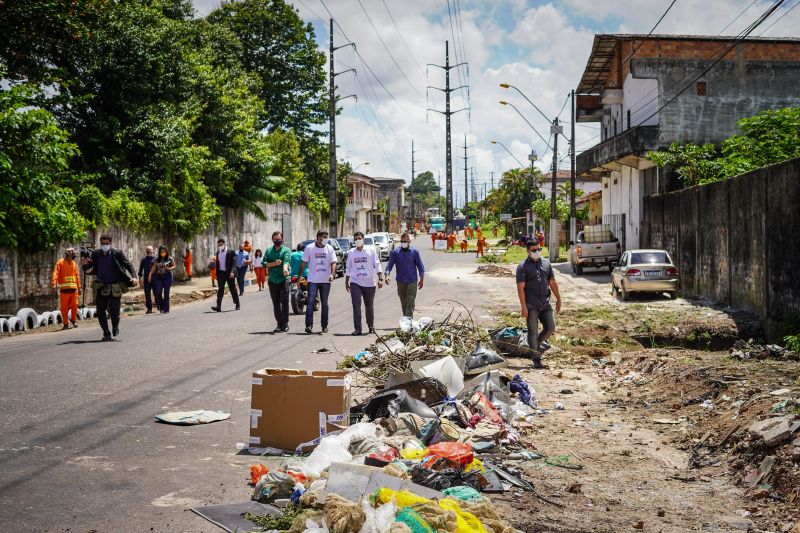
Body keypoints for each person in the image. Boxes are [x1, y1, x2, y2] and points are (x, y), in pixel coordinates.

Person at [81, 234, 138, 340]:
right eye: (102, 244)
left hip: (115, 285)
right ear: (100, 243)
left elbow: (128, 265)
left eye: (107, 244)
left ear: (110, 244)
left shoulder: (117, 253)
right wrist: (84, 264)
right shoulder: (96, 254)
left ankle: (115, 326)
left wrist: (134, 277)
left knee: (114, 309)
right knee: (100, 310)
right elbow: (89, 267)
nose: (105, 246)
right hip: (102, 285)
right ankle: (106, 332)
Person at [516, 239, 562, 369]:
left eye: (538, 249)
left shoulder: (547, 263)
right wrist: (523, 307)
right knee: (533, 331)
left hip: (545, 303)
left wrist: (558, 298)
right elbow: (520, 288)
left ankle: (534, 346)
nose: (537, 252)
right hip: (531, 305)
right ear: (528, 251)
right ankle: (536, 358)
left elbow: (552, 282)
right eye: (534, 250)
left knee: (550, 328)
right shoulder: (522, 267)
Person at [345, 231, 383, 335]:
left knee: (369, 306)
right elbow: (348, 267)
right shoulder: (351, 253)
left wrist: (380, 278)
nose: (358, 240)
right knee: (356, 305)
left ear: (363, 239)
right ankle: (358, 329)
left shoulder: (371, 251)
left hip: (370, 283)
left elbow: (377, 264)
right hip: (355, 282)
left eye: (359, 238)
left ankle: (371, 326)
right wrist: (346, 281)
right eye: (356, 239)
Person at [300, 230, 337, 334]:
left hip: (326, 280)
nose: (325, 239)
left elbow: (333, 262)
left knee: (325, 303)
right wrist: (299, 277)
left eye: (326, 237)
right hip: (313, 280)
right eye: (323, 237)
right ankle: (309, 326)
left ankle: (324, 326)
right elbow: (303, 263)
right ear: (318, 237)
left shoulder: (329, 248)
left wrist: (332, 274)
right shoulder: (310, 248)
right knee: (310, 302)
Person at [385, 233, 425, 318]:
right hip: (401, 281)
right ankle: (406, 321)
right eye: (402, 241)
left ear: (409, 241)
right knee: (404, 302)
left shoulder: (414, 252)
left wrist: (422, 280)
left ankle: (408, 321)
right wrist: (387, 275)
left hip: (412, 281)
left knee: (410, 301)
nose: (403, 243)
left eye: (405, 241)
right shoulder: (395, 252)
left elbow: (420, 266)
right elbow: (389, 265)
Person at [263, 232, 292, 333]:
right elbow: (264, 263)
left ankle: (285, 323)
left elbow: (286, 261)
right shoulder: (268, 251)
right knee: (276, 303)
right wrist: (274, 263)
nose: (277, 241)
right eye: (275, 239)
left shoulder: (286, 250)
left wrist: (285, 269)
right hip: (272, 280)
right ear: (272, 240)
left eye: (279, 239)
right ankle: (279, 324)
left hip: (284, 279)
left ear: (282, 239)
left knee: (284, 302)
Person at [51, 247, 81, 329]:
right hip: (64, 291)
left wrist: (79, 287)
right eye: (73, 254)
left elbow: (77, 276)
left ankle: (74, 320)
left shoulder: (74, 263)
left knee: (75, 306)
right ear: (68, 254)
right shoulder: (60, 262)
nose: (74, 256)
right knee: (64, 308)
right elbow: (55, 273)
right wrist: (54, 284)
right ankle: (65, 323)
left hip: (74, 290)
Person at [211, 238, 240, 312]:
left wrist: (233, 272)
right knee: (220, 289)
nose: (220, 246)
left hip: (229, 273)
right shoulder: (218, 252)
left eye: (221, 244)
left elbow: (234, 263)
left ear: (224, 244)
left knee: (232, 289)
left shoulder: (231, 252)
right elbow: (218, 264)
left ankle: (237, 303)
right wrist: (217, 274)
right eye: (219, 245)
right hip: (221, 273)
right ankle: (218, 306)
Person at [149, 245, 176, 313]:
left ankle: (166, 309)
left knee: (166, 293)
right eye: (161, 252)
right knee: (158, 292)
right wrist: (150, 275)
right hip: (159, 277)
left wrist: (169, 268)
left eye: (164, 251)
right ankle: (162, 306)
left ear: (166, 252)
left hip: (167, 277)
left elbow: (174, 265)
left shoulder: (169, 258)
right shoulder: (156, 259)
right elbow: (153, 268)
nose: (162, 253)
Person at [138, 246, 156, 314]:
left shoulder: (156, 259)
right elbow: (140, 270)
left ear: (152, 250)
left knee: (156, 293)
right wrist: (140, 280)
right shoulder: (143, 260)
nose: (148, 250)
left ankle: (159, 305)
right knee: (147, 294)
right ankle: (149, 309)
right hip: (146, 280)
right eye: (147, 249)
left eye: (150, 249)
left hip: (155, 280)